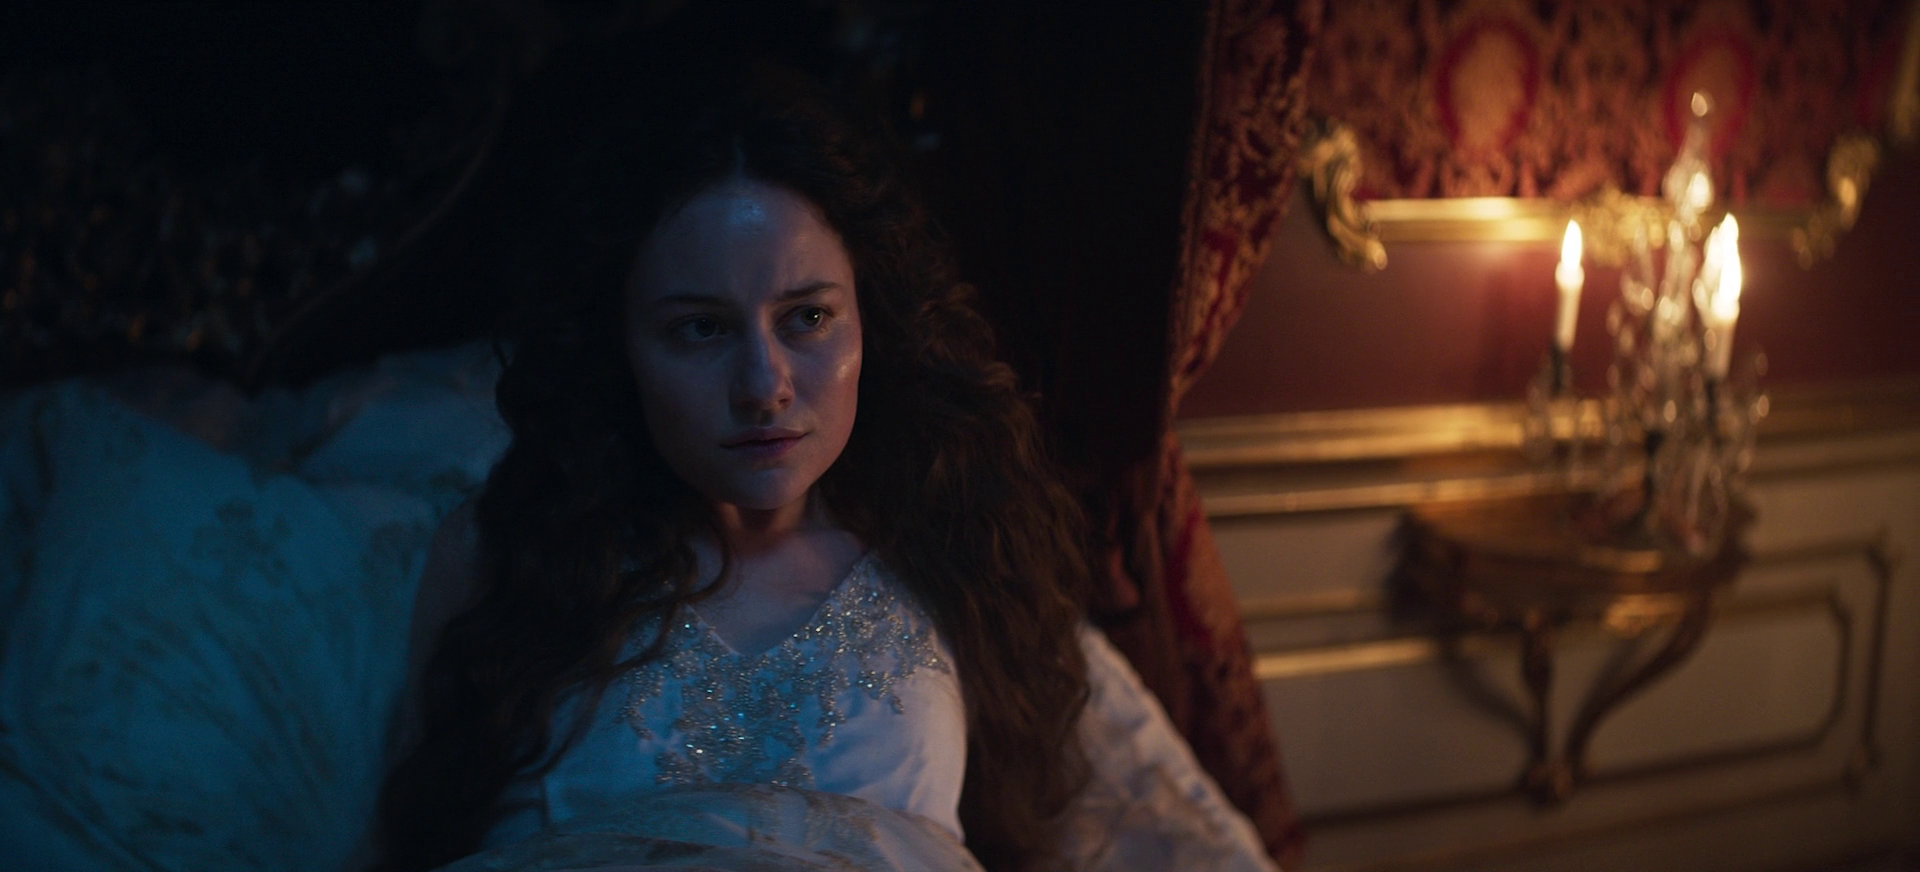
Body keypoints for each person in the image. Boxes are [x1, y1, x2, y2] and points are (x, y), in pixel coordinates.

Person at [372, 62, 1274, 872]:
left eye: (806, 319)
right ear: (619, 349)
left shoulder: (958, 540)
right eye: (701, 329)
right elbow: (415, 839)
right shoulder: (506, 557)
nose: (763, 387)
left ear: (870, 321)